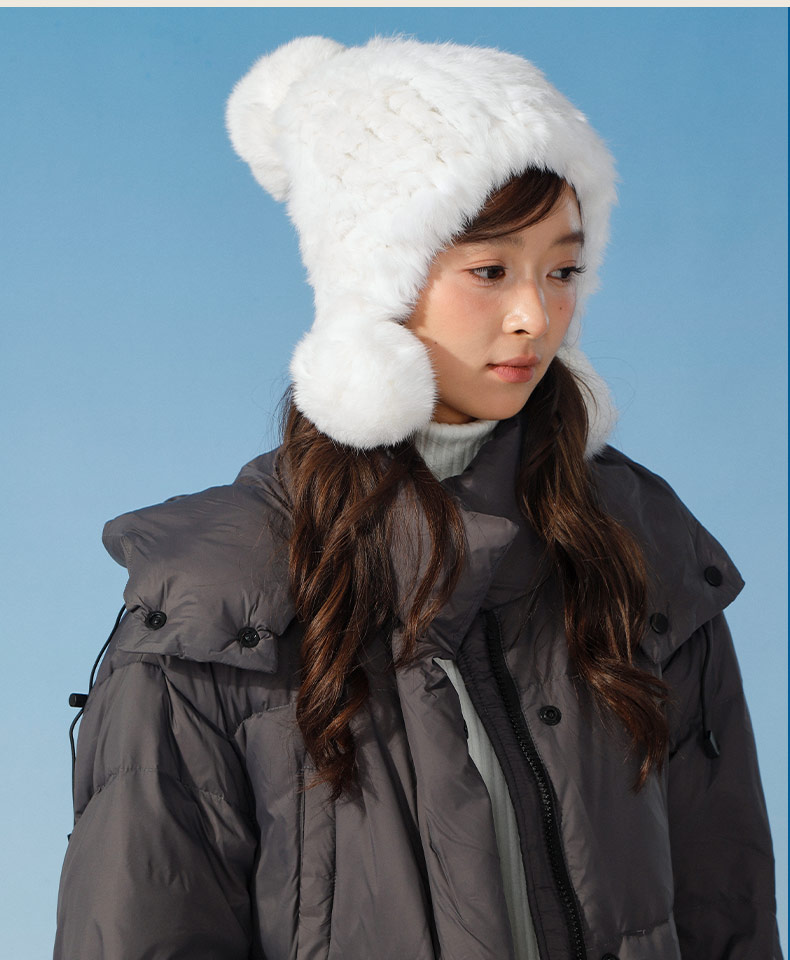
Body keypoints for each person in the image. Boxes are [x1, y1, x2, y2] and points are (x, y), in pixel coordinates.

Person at [54, 36, 782, 960]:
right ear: (378, 282)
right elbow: (142, 929)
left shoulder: (636, 545)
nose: (535, 315)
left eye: (562, 270)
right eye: (490, 271)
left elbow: (728, 911)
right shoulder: (220, 600)